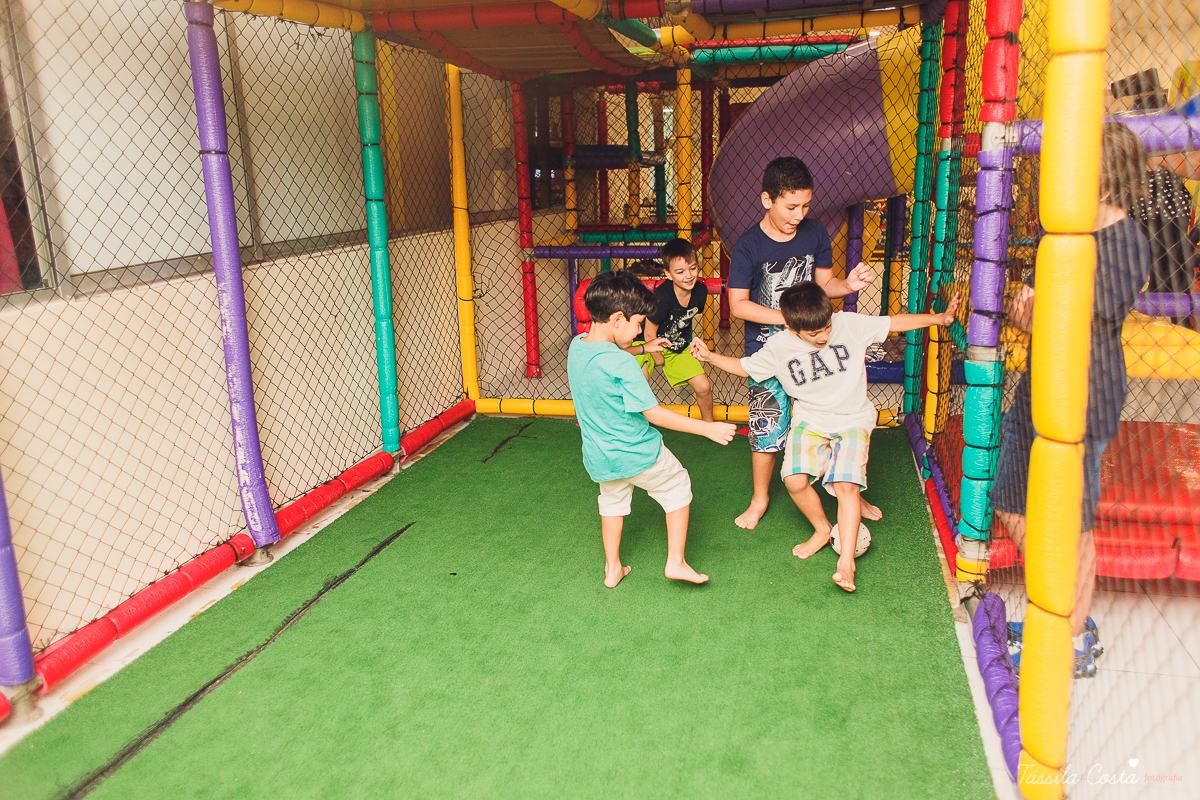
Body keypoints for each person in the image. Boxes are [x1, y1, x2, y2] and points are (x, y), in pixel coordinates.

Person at [992, 123, 1153, 677]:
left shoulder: (1125, 242)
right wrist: (1031, 309)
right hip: (1039, 386)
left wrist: (1037, 309)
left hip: (1087, 393)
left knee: (1075, 522)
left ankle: (1073, 635)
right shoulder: (1062, 235)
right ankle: (1057, 612)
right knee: (1010, 500)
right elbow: (1041, 314)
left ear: (1102, 180)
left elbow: (1070, 321)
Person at [691, 281, 960, 592]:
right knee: (794, 480)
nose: (823, 337)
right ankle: (822, 530)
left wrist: (938, 319)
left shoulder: (848, 324)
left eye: (827, 328)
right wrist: (710, 357)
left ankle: (846, 562)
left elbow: (894, 322)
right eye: (813, 334)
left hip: (852, 418)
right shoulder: (778, 347)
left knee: (846, 485)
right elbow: (745, 367)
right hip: (811, 419)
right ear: (790, 327)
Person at [727, 156, 874, 530]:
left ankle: (849, 491)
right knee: (767, 422)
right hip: (769, 348)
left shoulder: (814, 232)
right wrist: (790, 319)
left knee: (834, 417)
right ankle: (760, 498)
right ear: (768, 199)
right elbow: (738, 305)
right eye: (791, 206)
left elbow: (826, 285)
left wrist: (848, 285)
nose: (799, 214)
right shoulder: (748, 246)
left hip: (816, 345)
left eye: (805, 205)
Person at [567, 270, 738, 589]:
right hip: (638, 452)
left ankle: (613, 569)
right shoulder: (622, 365)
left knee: (612, 501)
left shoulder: (578, 347)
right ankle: (676, 562)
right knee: (677, 486)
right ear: (618, 319)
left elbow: (607, 354)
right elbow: (654, 413)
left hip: (600, 455)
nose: (639, 331)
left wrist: (645, 348)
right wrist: (706, 428)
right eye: (637, 324)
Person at [634, 238, 715, 422]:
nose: (689, 275)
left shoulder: (700, 292)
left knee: (703, 387)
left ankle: (709, 425)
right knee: (640, 384)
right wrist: (658, 358)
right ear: (668, 274)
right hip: (647, 343)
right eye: (680, 272)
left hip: (675, 345)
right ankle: (632, 426)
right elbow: (649, 333)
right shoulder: (662, 297)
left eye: (693, 268)